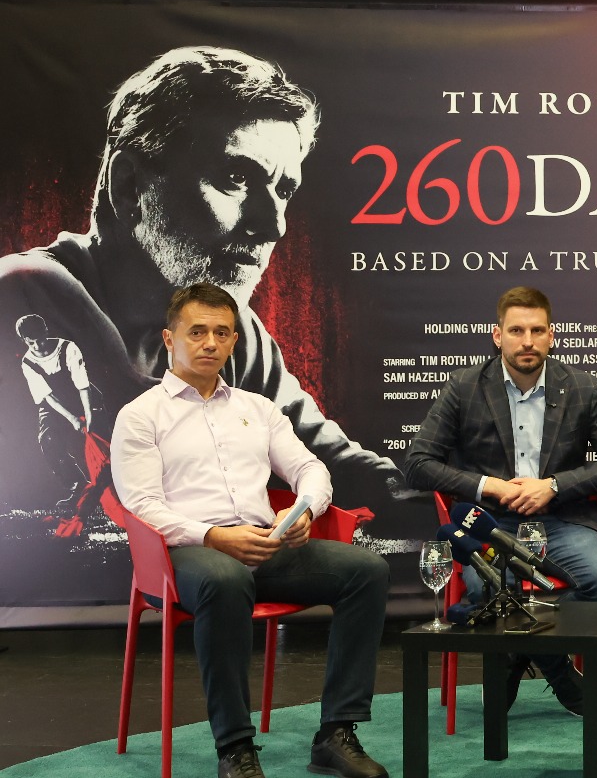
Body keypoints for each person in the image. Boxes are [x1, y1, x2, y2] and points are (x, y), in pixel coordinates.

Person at [0, 45, 403, 513]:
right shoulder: (24, 291)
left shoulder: (237, 333)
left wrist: (427, 489)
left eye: (283, 190)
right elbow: (135, 432)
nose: (273, 225)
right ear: (129, 186)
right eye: (236, 177)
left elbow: (331, 460)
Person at [110, 283, 391, 778]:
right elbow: (142, 506)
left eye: (222, 333)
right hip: (184, 555)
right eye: (197, 332)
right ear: (170, 339)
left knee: (366, 571)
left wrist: (303, 511)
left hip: (266, 545)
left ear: (234, 341)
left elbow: (310, 469)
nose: (210, 343)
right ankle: (235, 746)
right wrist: (215, 536)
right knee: (225, 576)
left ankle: (336, 733)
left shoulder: (258, 409)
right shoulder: (141, 416)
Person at [403, 285, 597, 716]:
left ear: (552, 335)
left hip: (562, 519)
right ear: (498, 336)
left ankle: (516, 652)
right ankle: (559, 670)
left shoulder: (582, 387)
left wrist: (553, 485)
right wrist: (489, 486)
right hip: (490, 523)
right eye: (516, 331)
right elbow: (418, 464)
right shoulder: (465, 387)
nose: (527, 341)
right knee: (485, 588)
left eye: (537, 331)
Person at [15, 313, 98, 507]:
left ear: (46, 332)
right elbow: (48, 397)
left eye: (40, 340)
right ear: (25, 341)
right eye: (31, 343)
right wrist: (73, 419)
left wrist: (89, 415)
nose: (37, 346)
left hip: (81, 397)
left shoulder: (68, 348)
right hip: (54, 405)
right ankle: (79, 486)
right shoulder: (27, 362)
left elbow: (82, 385)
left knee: (103, 436)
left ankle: (114, 486)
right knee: (48, 440)